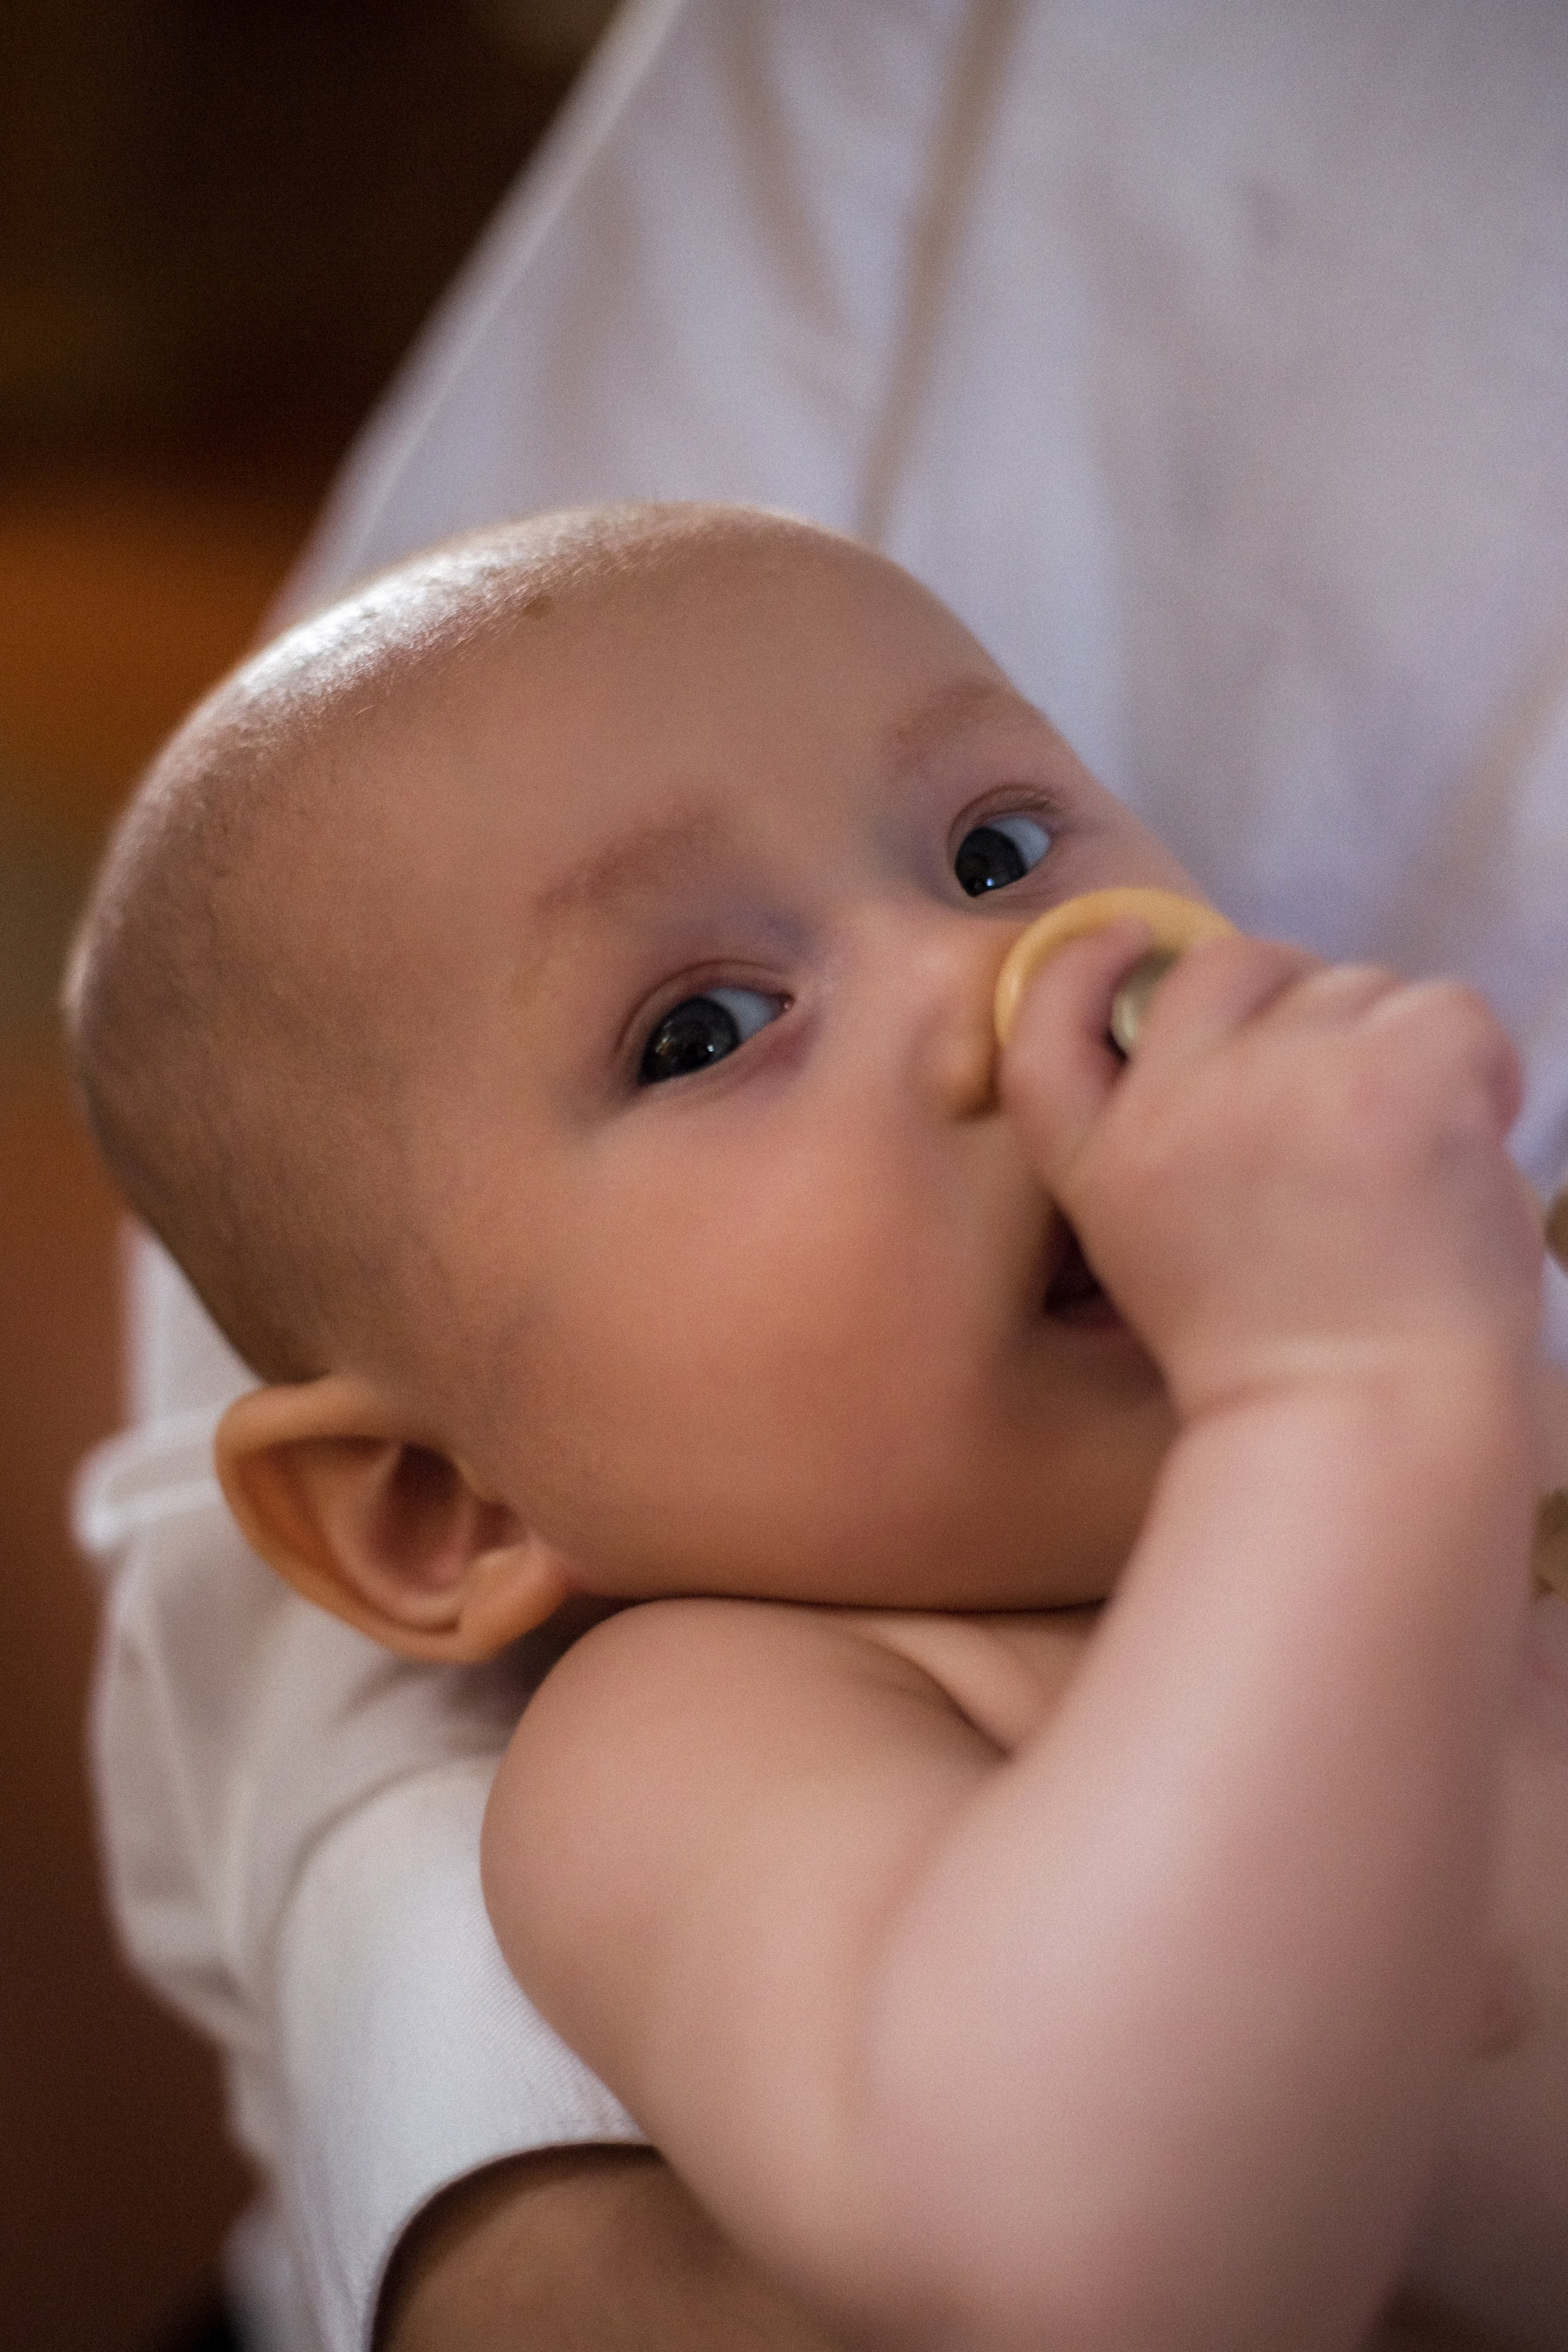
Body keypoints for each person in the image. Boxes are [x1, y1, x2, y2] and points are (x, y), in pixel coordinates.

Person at [70, 5, 1568, 2348]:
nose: (1002, 985)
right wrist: (1357, 1394)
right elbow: (1092, 2256)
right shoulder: (730, 1743)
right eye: (700, 1028)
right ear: (437, 1518)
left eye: (993, 846)